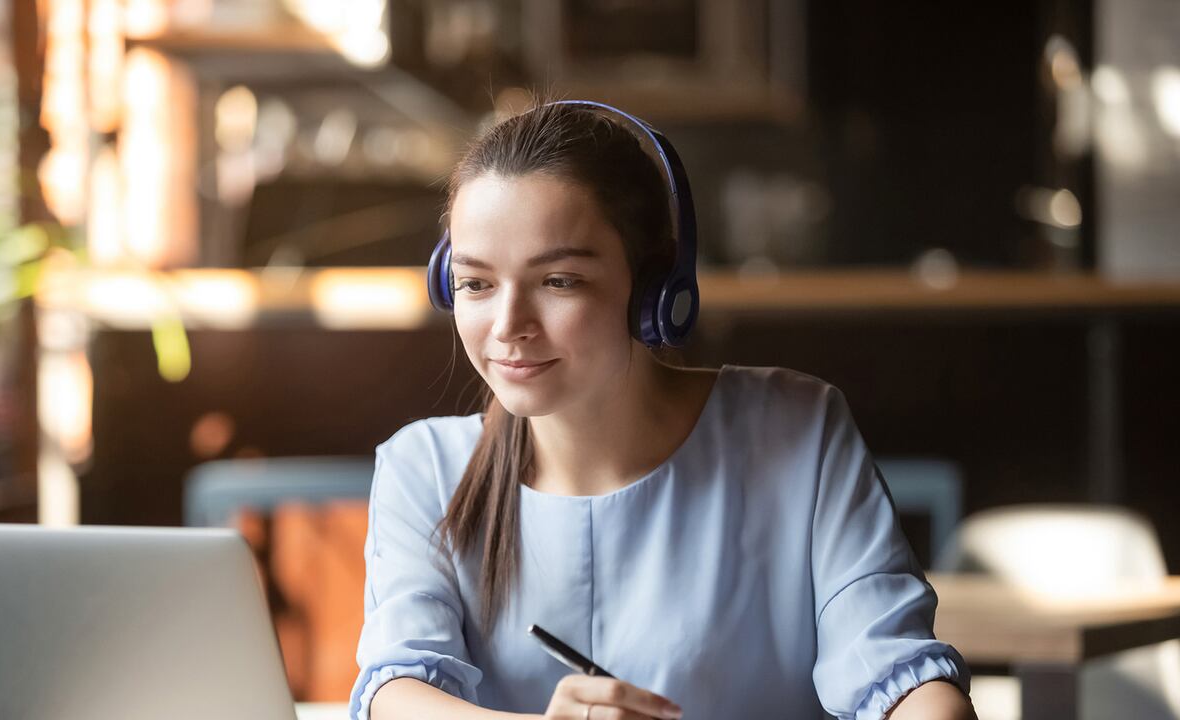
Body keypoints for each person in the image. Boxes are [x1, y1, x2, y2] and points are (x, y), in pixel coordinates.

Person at [348, 100, 976, 720]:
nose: (509, 326)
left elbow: (896, 671)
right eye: (476, 283)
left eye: (559, 281)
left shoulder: (796, 429)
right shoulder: (424, 467)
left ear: (654, 290)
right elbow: (397, 692)